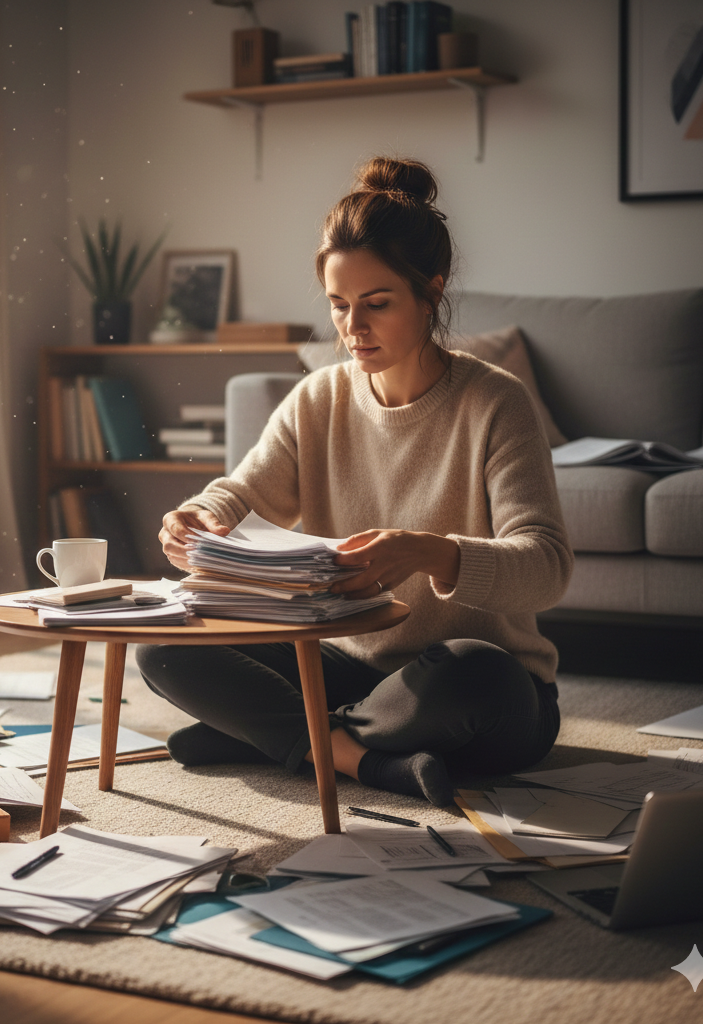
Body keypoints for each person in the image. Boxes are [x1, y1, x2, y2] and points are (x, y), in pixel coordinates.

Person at [137, 157, 573, 806]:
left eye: (376, 304)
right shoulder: (318, 398)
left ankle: (277, 736)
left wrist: (431, 552)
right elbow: (244, 491)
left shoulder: (495, 402)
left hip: (471, 688)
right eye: (339, 305)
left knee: (478, 674)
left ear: (431, 291)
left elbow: (547, 567)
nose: (352, 328)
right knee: (161, 646)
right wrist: (199, 515)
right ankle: (353, 755)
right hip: (351, 674)